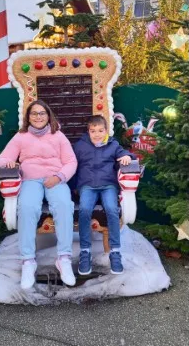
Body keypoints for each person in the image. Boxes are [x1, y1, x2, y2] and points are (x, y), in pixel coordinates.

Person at [0, 101, 78, 290]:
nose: (38, 117)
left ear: (48, 116)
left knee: (64, 205)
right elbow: (1, 159)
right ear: (28, 117)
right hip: (30, 180)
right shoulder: (21, 137)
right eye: (34, 113)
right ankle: (28, 261)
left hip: (55, 179)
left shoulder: (58, 136)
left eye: (42, 113)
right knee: (26, 207)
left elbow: (71, 161)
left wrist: (59, 177)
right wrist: (8, 164)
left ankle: (63, 258)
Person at [71, 115, 135, 276]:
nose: (97, 134)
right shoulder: (80, 146)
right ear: (88, 131)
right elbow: (70, 163)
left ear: (106, 130)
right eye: (93, 131)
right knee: (85, 209)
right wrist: (72, 187)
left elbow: (126, 154)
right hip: (88, 185)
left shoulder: (113, 145)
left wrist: (128, 157)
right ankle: (85, 251)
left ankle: (115, 251)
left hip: (108, 185)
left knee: (112, 209)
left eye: (100, 130)